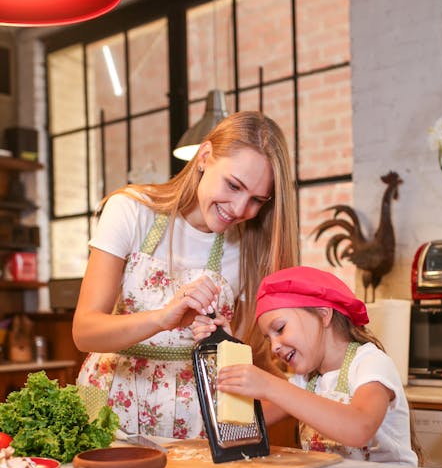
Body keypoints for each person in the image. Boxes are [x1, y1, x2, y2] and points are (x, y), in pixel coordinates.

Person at [73, 111, 299, 439]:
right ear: (204, 157)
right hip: (108, 408)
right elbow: (84, 332)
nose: (238, 209)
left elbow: (255, 359)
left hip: (193, 426)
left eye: (256, 200)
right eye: (233, 185)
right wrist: (163, 318)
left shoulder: (248, 247)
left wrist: (312, 391)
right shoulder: (131, 211)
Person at [200, 265, 420, 465]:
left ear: (323, 315)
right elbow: (243, 428)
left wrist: (269, 385)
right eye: (269, 339)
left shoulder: (370, 363)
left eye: (280, 329)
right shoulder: (307, 381)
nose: (274, 347)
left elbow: (359, 427)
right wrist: (225, 350)